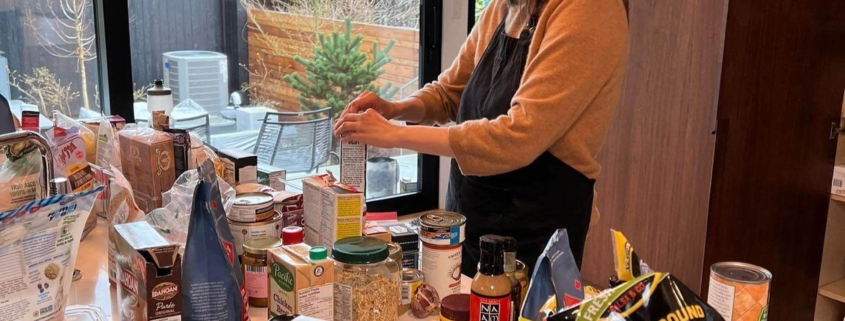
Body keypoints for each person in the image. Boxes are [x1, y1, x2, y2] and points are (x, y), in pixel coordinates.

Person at [334, 0, 629, 275]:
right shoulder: (506, 7)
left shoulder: (590, 10)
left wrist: (396, 135)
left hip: (537, 230)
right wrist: (395, 109)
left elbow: (519, 136)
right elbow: (449, 92)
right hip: (470, 216)